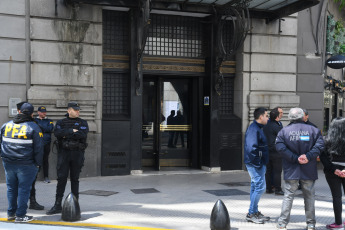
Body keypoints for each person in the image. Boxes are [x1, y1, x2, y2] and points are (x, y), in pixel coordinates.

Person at [275, 108, 324, 230]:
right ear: (303, 117)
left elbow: (279, 147)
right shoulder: (314, 130)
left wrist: (294, 158)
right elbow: (320, 146)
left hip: (291, 168)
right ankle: (311, 224)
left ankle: (282, 223)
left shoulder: (284, 131)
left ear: (290, 118)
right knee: (309, 196)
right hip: (308, 168)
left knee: (288, 195)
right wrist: (307, 156)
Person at [0, 103, 43, 222]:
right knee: (24, 189)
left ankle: (11, 213)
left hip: (8, 162)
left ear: (19, 112)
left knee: (11, 188)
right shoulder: (34, 127)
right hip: (26, 164)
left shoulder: (6, 125)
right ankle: (20, 215)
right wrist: (38, 164)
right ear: (31, 113)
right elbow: (38, 149)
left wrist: (4, 156)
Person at [47, 101, 89, 215]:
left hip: (77, 153)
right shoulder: (61, 122)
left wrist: (66, 134)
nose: (78, 111)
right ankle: (57, 204)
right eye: (75, 110)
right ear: (69, 110)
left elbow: (83, 134)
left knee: (75, 179)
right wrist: (72, 131)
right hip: (64, 154)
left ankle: (75, 204)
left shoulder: (83, 122)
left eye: (78, 110)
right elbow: (57, 133)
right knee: (61, 179)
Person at [16, 102, 44, 211]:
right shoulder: (31, 125)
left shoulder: (32, 124)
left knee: (29, 184)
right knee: (24, 185)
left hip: (22, 159)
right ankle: (21, 208)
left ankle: (31, 202)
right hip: (26, 159)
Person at [244, 107, 270, 224]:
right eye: (266, 116)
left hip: (258, 163)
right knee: (260, 187)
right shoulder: (254, 129)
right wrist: (257, 163)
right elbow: (251, 148)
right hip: (255, 164)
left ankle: (254, 211)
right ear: (260, 117)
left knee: (255, 186)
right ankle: (251, 213)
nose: (268, 118)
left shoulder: (257, 128)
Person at [320, 117, 345, 229]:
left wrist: (334, 169)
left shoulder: (326, 139)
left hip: (332, 171)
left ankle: (338, 223)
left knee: (336, 197)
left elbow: (323, 157)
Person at [263, 107, 284, 195]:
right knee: (277, 171)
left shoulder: (266, 125)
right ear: (277, 117)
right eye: (280, 114)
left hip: (266, 150)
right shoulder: (277, 127)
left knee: (268, 171)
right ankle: (278, 189)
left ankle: (268, 188)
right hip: (275, 151)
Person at [34, 106, 54, 183]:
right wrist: (43, 128)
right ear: (38, 112)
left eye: (45, 112)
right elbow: (34, 129)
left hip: (46, 143)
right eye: (42, 112)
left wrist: (39, 127)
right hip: (37, 143)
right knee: (35, 160)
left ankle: (46, 177)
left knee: (45, 160)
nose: (44, 113)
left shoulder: (49, 121)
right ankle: (34, 176)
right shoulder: (34, 120)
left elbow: (50, 129)